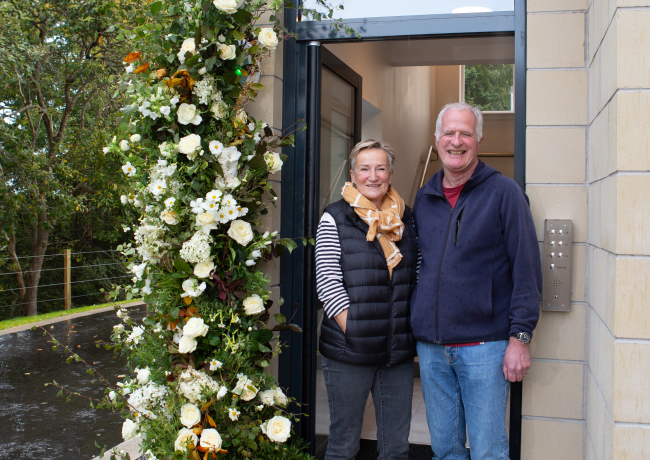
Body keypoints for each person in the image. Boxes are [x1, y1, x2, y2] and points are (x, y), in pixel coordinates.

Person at [411, 102, 542, 460]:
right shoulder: (424, 197)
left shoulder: (505, 193)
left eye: (465, 133)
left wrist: (520, 338)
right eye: (449, 133)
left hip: (485, 348)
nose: (457, 141)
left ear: (479, 139)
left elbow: (527, 269)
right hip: (433, 349)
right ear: (437, 140)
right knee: (445, 450)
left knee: (488, 452)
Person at [315, 139, 418, 460]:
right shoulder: (335, 217)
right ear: (353, 174)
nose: (373, 176)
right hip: (349, 351)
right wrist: (357, 332)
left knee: (397, 447)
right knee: (344, 444)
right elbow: (327, 283)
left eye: (380, 168)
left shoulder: (406, 218)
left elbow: (415, 275)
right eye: (365, 168)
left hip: (396, 353)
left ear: (390, 173)